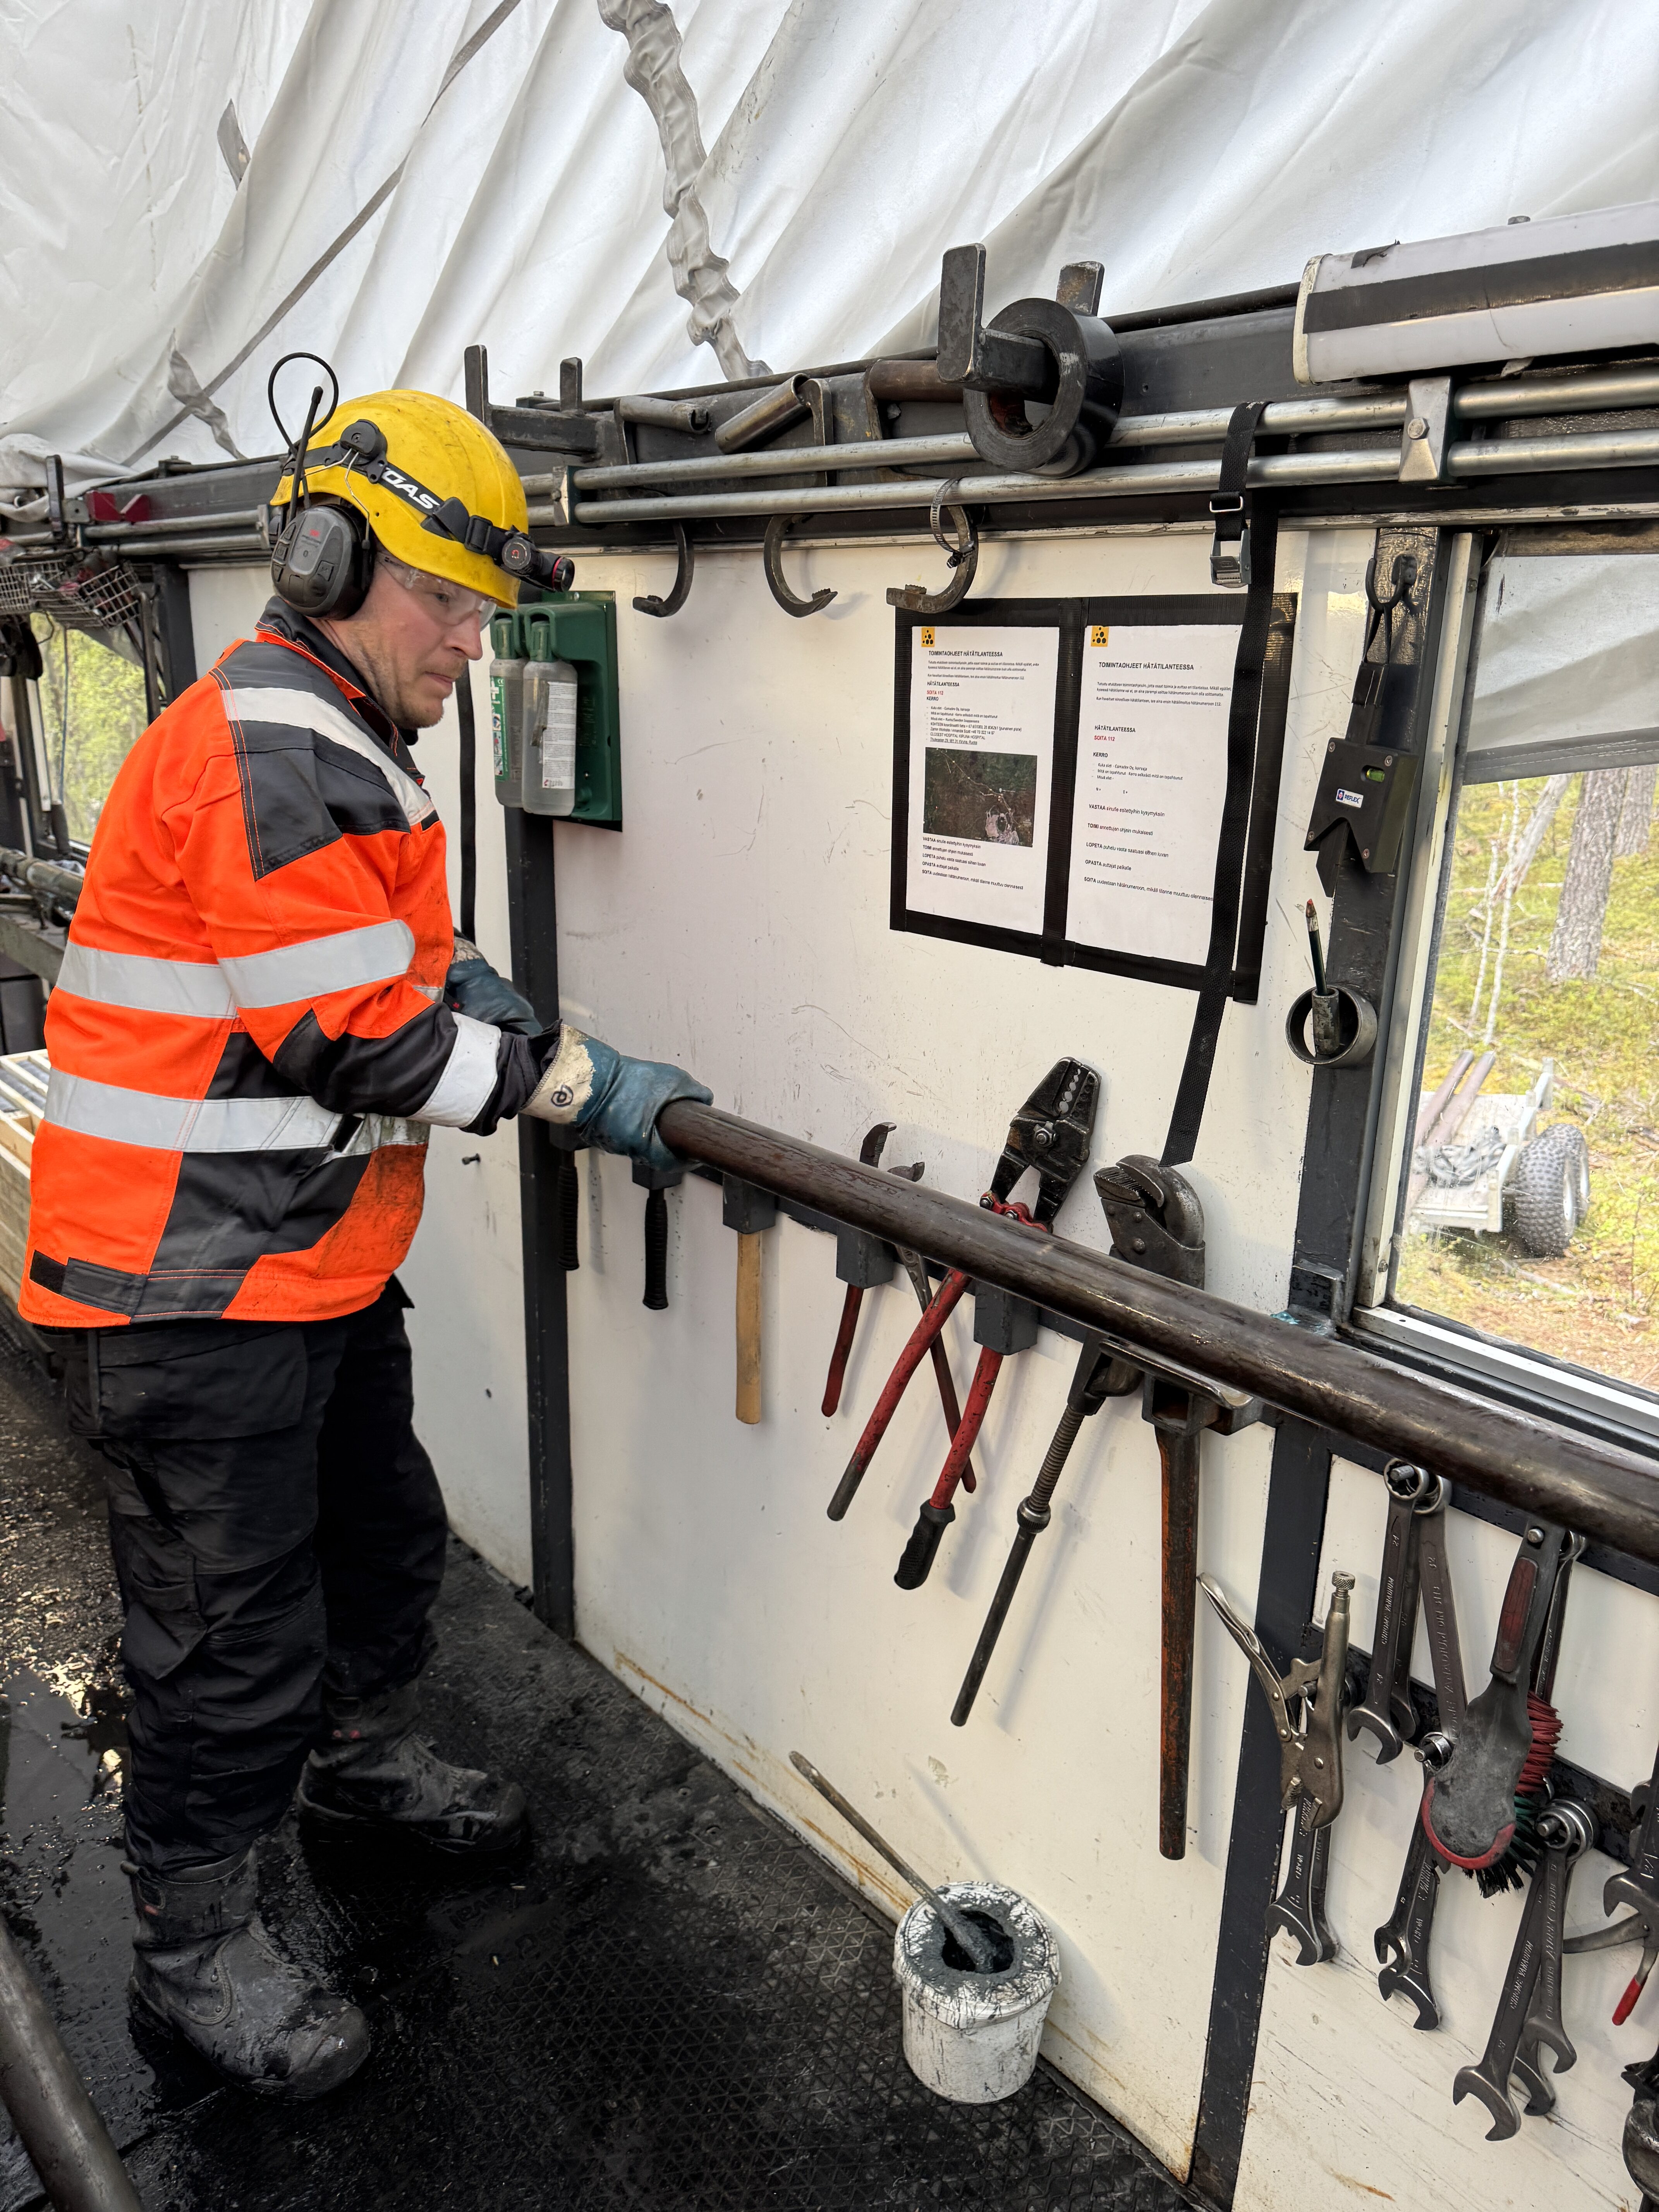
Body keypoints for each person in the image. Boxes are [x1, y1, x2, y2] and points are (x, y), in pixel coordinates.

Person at [19, 386, 710, 2099]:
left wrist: (505, 1009)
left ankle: (354, 1764)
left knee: (382, 1543)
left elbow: (401, 958)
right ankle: (194, 1945)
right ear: (329, 564)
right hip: (183, 1285)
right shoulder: (269, 744)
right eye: (449, 603)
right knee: (225, 1632)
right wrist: (576, 1084)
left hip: (297, 1261)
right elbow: (359, 1039)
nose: (474, 644)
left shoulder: (342, 740)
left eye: (484, 610)